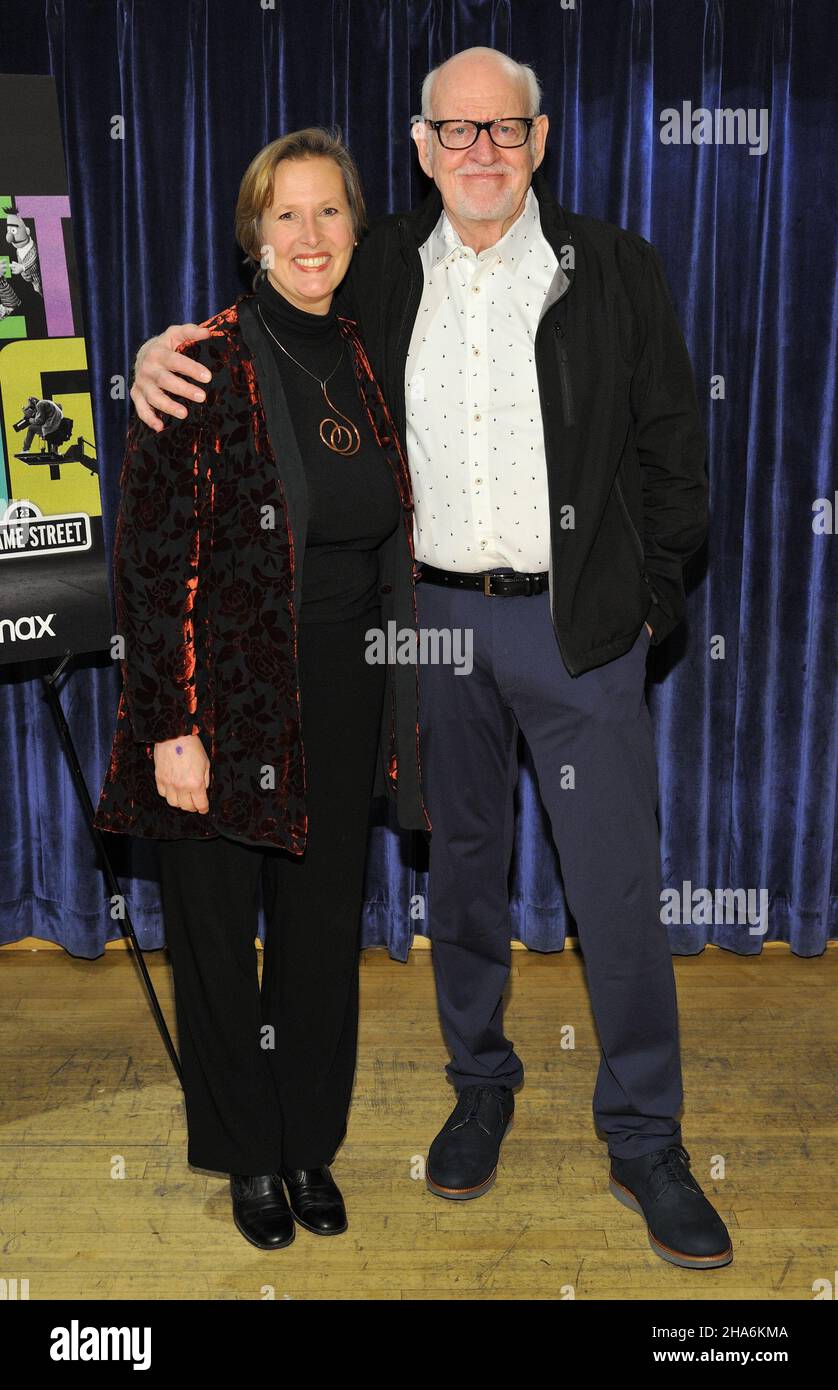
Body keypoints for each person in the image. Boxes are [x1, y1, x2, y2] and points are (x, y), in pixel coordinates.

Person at [128, 47, 732, 1270]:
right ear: (419, 148)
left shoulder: (612, 268)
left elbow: (675, 463)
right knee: (459, 873)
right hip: (427, 632)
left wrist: (643, 606)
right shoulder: (379, 271)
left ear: (541, 138)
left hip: (576, 629)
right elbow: (263, 332)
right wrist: (150, 357)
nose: (480, 152)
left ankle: (646, 1138)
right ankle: (480, 1087)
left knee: (614, 887)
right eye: (453, 132)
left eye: (502, 129)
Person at [94, 127, 430, 1252]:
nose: (308, 235)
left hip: (344, 694)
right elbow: (148, 567)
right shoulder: (200, 363)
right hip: (223, 700)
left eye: (328, 211)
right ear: (252, 234)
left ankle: (304, 1142)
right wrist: (169, 728)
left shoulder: (369, 350)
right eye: (284, 214)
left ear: (355, 229)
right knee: (214, 930)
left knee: (321, 930)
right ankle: (245, 1154)